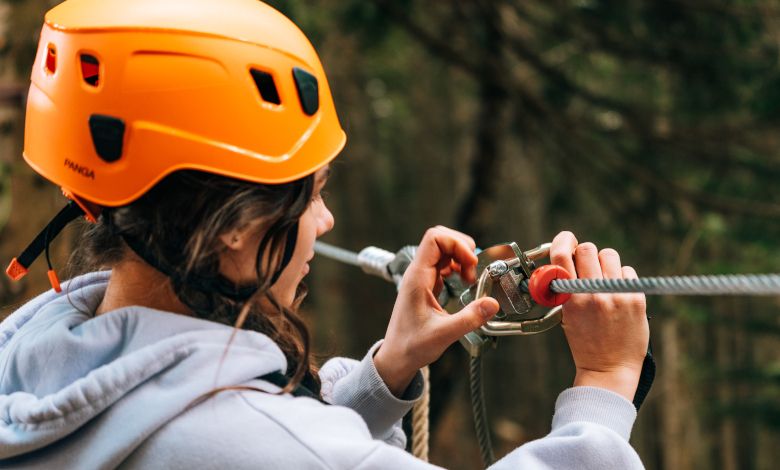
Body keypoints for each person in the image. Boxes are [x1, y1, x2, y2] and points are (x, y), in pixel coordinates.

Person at [0, 0, 649, 468]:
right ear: (237, 225)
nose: (327, 222)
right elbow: (268, 446)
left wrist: (388, 372)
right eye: (313, 194)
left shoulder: (30, 368)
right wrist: (605, 382)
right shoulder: (252, 440)